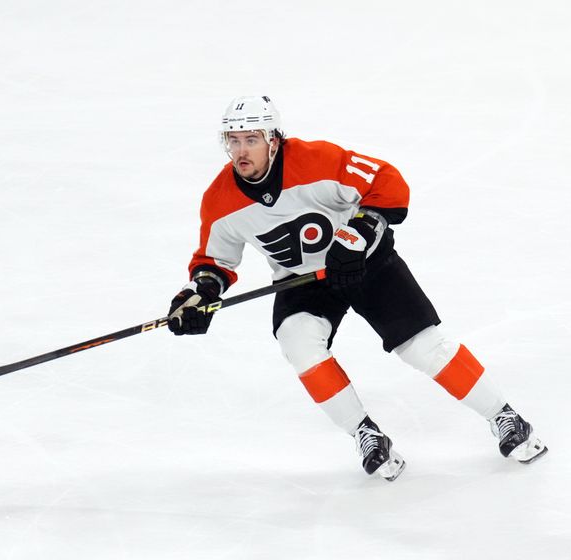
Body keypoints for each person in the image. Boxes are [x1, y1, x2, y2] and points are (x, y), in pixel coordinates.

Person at [167, 95, 547, 481]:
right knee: (297, 342)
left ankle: (504, 415)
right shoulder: (219, 200)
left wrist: (361, 229)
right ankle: (364, 433)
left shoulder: (318, 160)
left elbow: (388, 182)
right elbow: (213, 262)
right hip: (301, 281)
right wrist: (199, 295)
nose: (240, 151)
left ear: (273, 140)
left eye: (251, 139)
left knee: (422, 347)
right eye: (233, 140)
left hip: (363, 262)